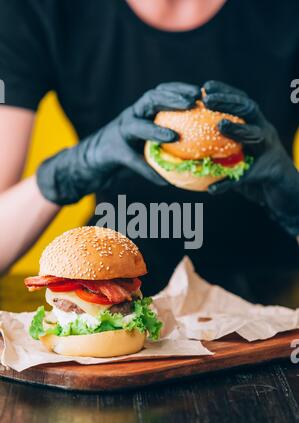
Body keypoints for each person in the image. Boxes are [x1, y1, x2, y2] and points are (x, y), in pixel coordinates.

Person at [0, 0, 298, 293]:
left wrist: (293, 201)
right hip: (115, 280)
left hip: (279, 293)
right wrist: (68, 172)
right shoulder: (37, 8)